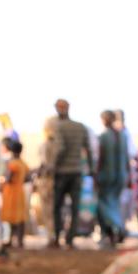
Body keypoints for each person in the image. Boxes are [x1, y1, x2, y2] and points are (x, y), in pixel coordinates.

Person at [51, 99, 92, 248]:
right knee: (75, 207)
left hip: (62, 172)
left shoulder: (58, 127)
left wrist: (52, 166)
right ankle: (70, 239)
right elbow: (88, 150)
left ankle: (57, 237)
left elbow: (60, 148)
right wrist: (92, 169)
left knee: (57, 206)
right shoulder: (80, 127)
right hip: (77, 172)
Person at [96, 110, 128, 247]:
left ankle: (117, 227)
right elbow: (126, 158)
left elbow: (101, 158)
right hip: (121, 175)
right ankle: (114, 231)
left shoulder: (104, 136)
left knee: (104, 204)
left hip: (107, 176)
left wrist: (96, 174)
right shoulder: (122, 135)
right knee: (113, 203)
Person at [0, 139, 29, 250]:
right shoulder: (23, 163)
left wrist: (3, 181)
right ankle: (19, 241)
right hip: (20, 191)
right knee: (20, 217)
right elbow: (27, 177)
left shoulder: (13, 164)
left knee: (12, 217)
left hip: (11, 192)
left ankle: (11, 240)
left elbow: (8, 178)